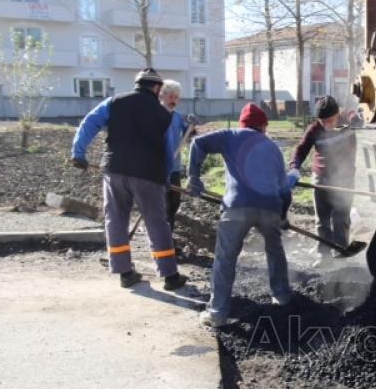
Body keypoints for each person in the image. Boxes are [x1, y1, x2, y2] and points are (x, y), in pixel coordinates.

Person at [71, 68, 188, 291]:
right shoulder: (164, 114)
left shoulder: (114, 102)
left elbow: (90, 122)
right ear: (157, 88)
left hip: (114, 170)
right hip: (148, 174)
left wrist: (78, 153)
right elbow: (168, 149)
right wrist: (165, 176)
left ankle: (125, 273)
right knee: (157, 223)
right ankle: (170, 276)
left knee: (115, 220)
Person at [188, 103, 292, 327]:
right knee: (275, 250)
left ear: (243, 124)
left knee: (225, 258)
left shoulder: (231, 135)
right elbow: (285, 191)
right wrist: (282, 216)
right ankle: (282, 297)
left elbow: (198, 142)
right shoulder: (272, 147)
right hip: (270, 207)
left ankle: (217, 314)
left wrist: (194, 177)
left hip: (237, 206)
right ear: (263, 126)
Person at [289, 95, 356, 267]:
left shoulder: (347, 121)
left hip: (344, 179)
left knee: (340, 218)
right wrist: (295, 168)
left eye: (330, 120)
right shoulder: (315, 129)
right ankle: (324, 255)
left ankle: (341, 254)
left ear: (338, 114)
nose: (326, 125)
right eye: (323, 121)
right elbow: (301, 150)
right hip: (321, 178)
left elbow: (353, 115)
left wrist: (356, 118)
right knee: (322, 219)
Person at [160, 79, 195, 236]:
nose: (173, 101)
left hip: (174, 167)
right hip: (159, 167)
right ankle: (161, 241)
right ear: (162, 96)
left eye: (176, 98)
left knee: (174, 203)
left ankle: (168, 238)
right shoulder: (155, 115)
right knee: (161, 206)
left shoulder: (178, 117)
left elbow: (189, 133)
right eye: (171, 97)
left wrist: (192, 126)